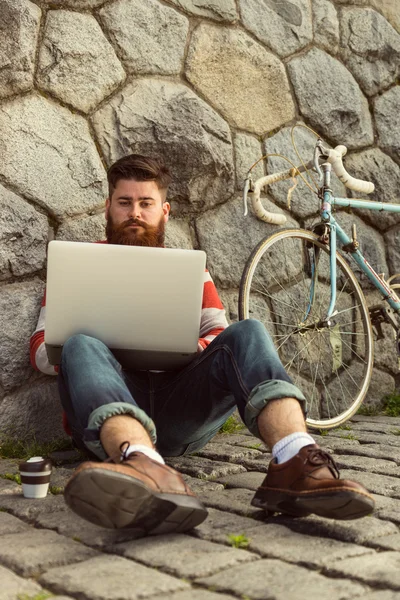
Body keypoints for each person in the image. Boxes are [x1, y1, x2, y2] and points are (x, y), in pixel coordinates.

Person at [30, 154, 374, 534]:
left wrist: (185, 350)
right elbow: (41, 350)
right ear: (108, 207)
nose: (135, 213)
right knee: (79, 343)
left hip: (180, 412)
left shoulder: (189, 269)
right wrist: (96, 350)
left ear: (164, 210)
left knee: (248, 332)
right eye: (125, 202)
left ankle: (295, 459)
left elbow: (219, 335)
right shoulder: (77, 264)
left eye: (145, 204)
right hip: (106, 418)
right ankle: (140, 462)